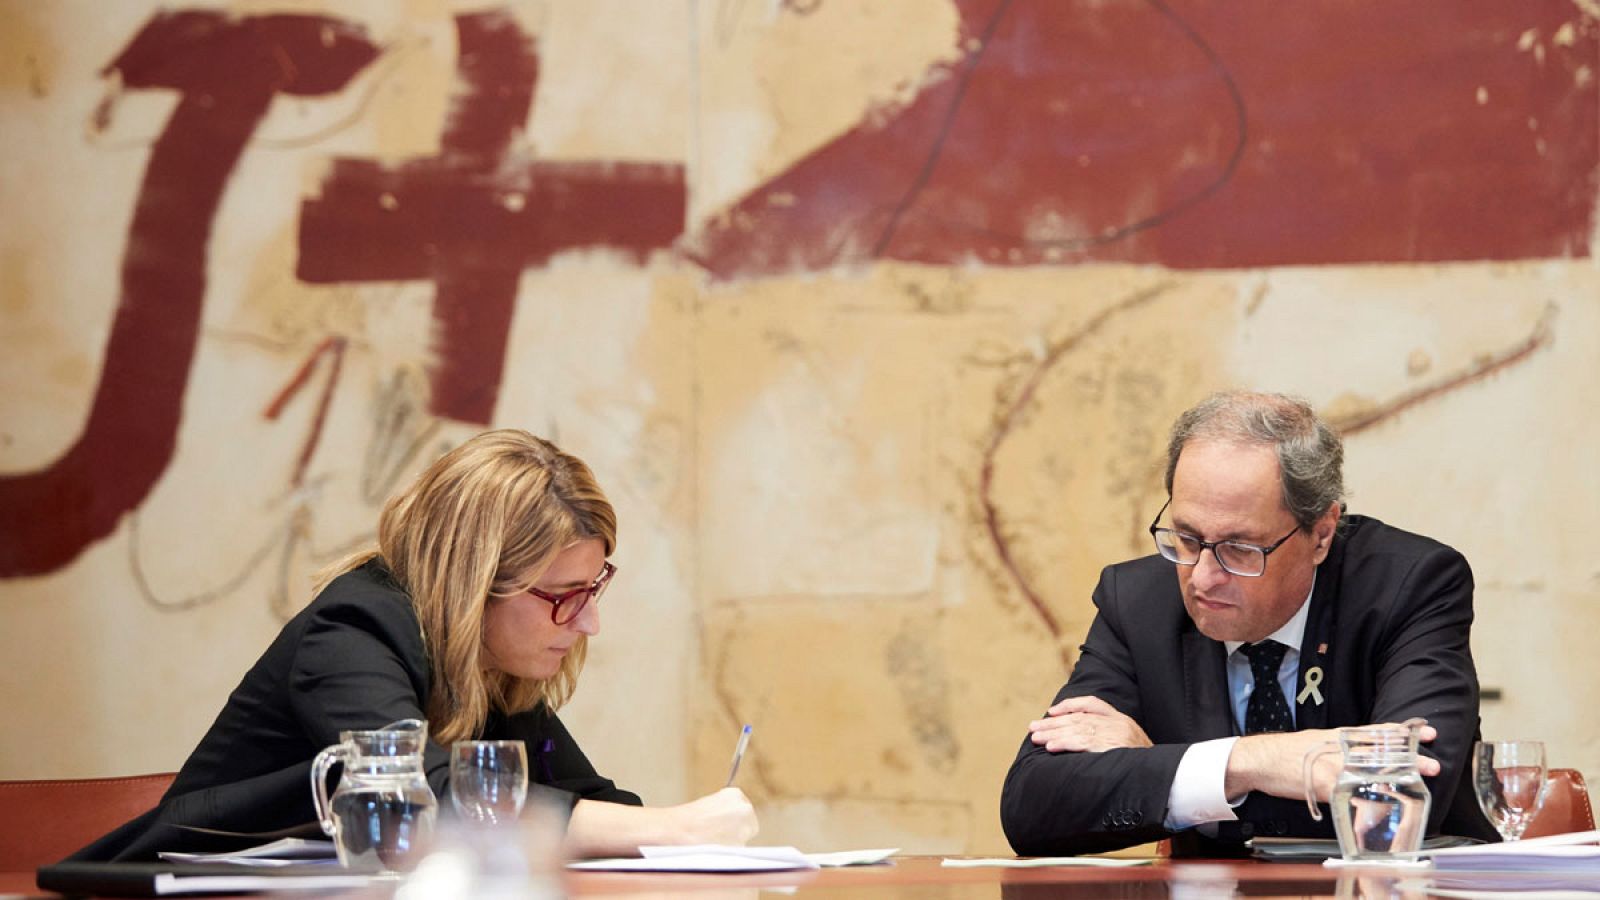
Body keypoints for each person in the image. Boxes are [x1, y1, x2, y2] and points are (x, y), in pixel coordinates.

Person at [74, 429, 757, 861]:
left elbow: (578, 798)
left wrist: (663, 833)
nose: (587, 625)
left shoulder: (486, 662)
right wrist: (672, 831)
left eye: (592, 590)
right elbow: (422, 801)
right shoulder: (353, 630)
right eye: (561, 597)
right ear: (475, 581)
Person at [1000, 391, 1496, 856]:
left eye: (1240, 549)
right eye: (1187, 538)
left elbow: (1403, 794)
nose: (1203, 577)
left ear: (1321, 534)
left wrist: (1167, 764)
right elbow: (1033, 805)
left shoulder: (1410, 585)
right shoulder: (1138, 602)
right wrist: (1249, 762)